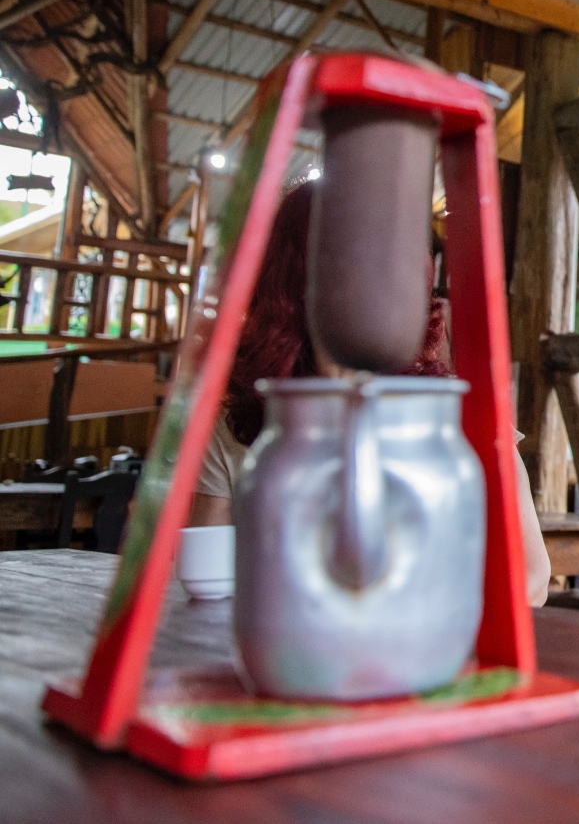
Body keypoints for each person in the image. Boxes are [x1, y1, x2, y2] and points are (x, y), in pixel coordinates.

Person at [189, 180, 553, 608]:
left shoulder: (462, 417)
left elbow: (530, 578)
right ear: (293, 284)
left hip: (429, 661)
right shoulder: (240, 423)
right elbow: (205, 576)